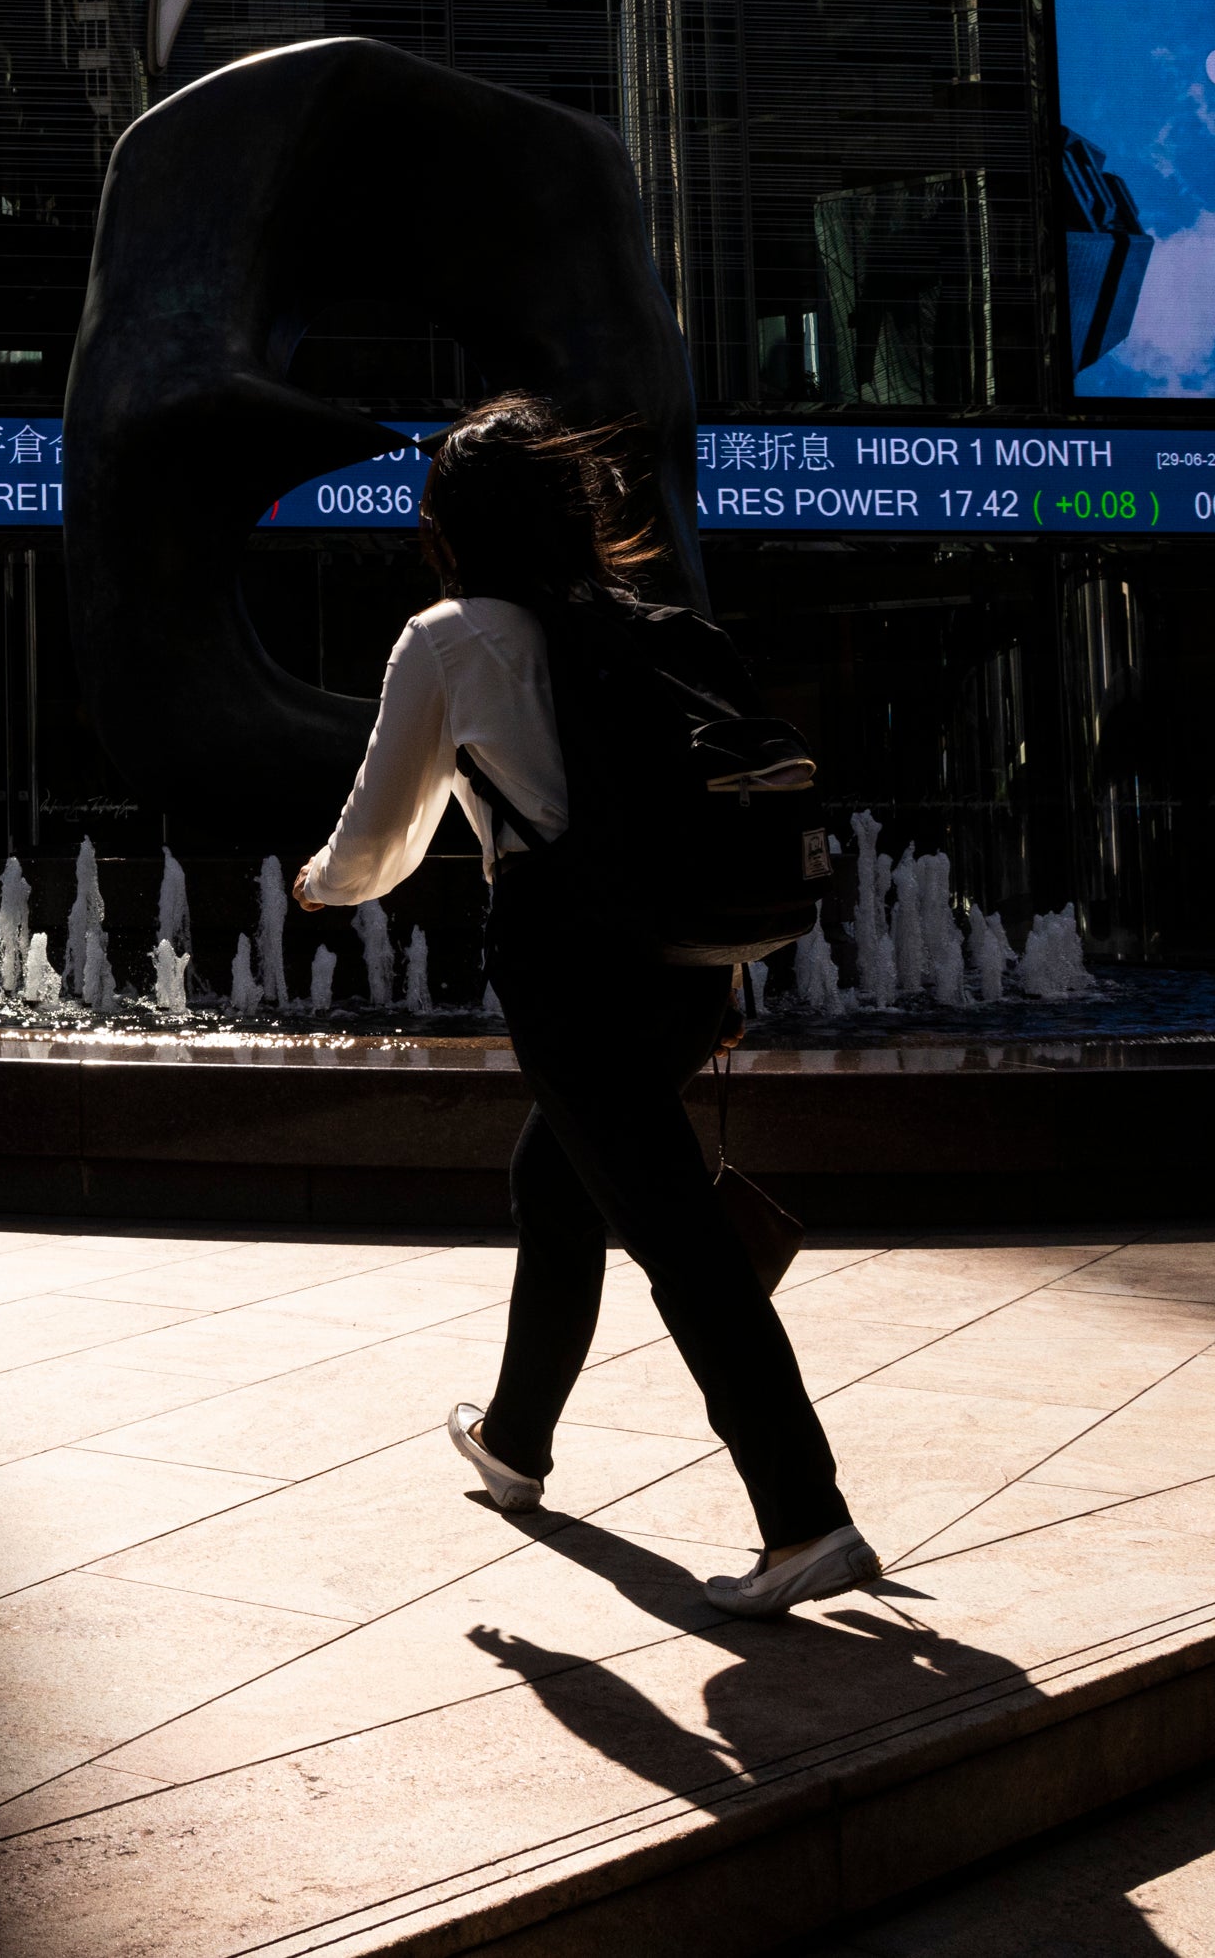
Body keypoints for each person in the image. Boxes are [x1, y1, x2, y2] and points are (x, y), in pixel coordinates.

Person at [294, 397, 874, 1619]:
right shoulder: (651, 628)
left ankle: (805, 1517)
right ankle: (513, 1443)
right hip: (684, 960)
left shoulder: (448, 640)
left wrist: (321, 888)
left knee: (676, 1237)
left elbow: (383, 831)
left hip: (568, 962)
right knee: (555, 1183)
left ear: (451, 526)